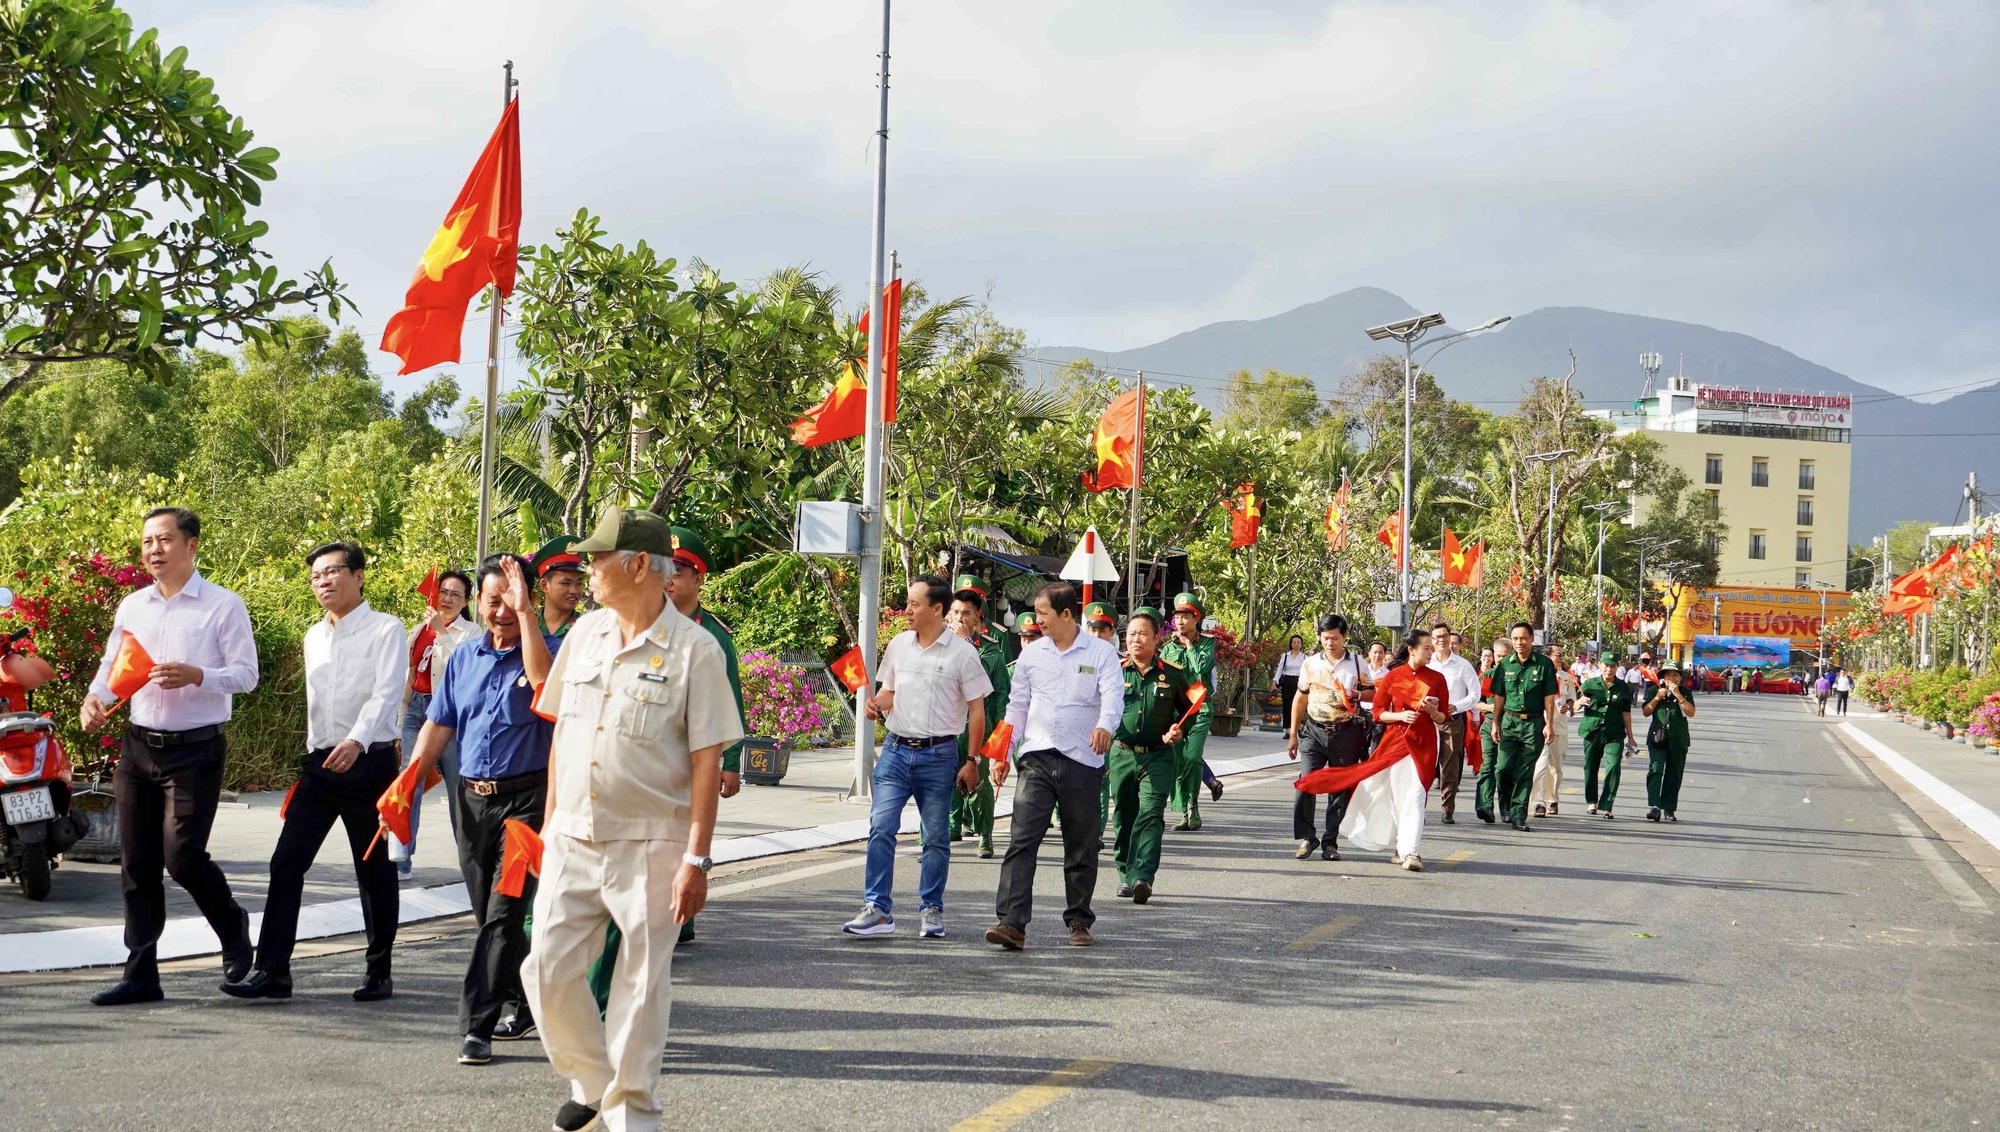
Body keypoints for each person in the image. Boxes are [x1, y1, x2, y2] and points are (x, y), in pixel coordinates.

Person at [523, 508, 743, 1132]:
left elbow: (707, 760)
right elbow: (563, 732)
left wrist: (697, 858)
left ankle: (631, 1114)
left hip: (653, 840)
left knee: (642, 986)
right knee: (544, 968)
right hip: (572, 835)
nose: (586, 569)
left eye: (597, 558)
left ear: (640, 565)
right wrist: (548, 825)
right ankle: (594, 1080)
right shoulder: (587, 634)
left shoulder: (696, 650)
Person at [80, 507, 260, 1007]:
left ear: (191, 545)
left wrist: (199, 675)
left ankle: (234, 927)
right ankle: (141, 975)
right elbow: (111, 668)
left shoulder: (223, 606)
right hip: (138, 747)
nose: (153, 550)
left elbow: (247, 675)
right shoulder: (132, 606)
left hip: (195, 750)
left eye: (163, 540)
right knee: (136, 863)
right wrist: (95, 700)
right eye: (146, 543)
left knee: (182, 857)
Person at [225, 542, 406, 1002]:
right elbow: (316, 706)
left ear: (359, 575)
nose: (323, 581)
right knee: (286, 863)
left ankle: (378, 970)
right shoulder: (313, 635)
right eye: (316, 576)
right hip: (321, 767)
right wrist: (316, 752)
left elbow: (386, 694)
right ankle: (273, 972)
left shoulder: (386, 629)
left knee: (373, 870)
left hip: (369, 763)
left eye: (333, 572)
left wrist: (357, 740)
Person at [399, 554, 557, 1064]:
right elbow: (439, 722)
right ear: (479, 603)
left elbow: (544, 688)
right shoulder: (464, 657)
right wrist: (409, 777)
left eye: (512, 601)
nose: (502, 611)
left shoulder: (550, 651)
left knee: (506, 911)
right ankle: (531, 997)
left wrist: (527, 615)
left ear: (528, 600)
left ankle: (477, 1026)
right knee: (485, 913)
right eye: (493, 601)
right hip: (471, 801)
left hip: (527, 805)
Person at [842, 574, 991, 940]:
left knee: (936, 837)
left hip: (938, 755)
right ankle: (877, 909)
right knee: (881, 827)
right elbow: (889, 690)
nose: (907, 610)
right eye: (907, 603)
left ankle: (931, 909)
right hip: (894, 751)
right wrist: (877, 704)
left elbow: (977, 711)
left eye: (914, 604)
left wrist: (972, 761)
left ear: (937, 609)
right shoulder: (898, 645)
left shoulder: (963, 654)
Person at [984, 582, 1123, 950]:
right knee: (1021, 840)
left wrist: (1105, 726)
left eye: (1044, 613)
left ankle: (1079, 919)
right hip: (1037, 758)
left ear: (1065, 614)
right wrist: (1003, 752)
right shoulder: (1031, 656)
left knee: (1081, 844)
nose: (1038, 619)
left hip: (1082, 759)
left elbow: (1113, 697)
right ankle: (1011, 923)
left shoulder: (1101, 652)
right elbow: (1017, 707)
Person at [389, 567, 477, 878]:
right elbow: (409, 674)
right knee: (407, 783)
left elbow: (464, 668)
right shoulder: (417, 630)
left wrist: (442, 632)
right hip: (416, 709)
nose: (448, 598)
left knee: (460, 790)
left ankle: (472, 860)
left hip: (449, 716)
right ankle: (400, 859)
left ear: (466, 600)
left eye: (456, 594)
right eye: (444, 592)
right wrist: (401, 718)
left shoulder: (471, 633)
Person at [1347, 628, 1451, 871]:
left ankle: (1411, 852)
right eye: (1426, 647)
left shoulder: (1437, 679)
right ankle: (1399, 847)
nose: (1431, 651)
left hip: (1425, 742)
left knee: (1416, 794)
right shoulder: (1394, 677)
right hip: (1396, 741)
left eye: (1431, 647)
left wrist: (1432, 711)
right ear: (1412, 650)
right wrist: (1400, 715)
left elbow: (1443, 715)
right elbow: (1378, 712)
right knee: (1396, 796)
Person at [1108, 607, 1190, 903]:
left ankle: (1143, 876)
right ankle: (1124, 873)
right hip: (1122, 754)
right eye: (1131, 634)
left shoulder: (1174, 674)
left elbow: (1191, 708)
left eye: (1143, 634)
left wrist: (1179, 729)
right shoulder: (1114, 672)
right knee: (1124, 815)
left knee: (1152, 814)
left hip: (1158, 755)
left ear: (1157, 638)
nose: (1136, 639)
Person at [1287, 614, 1371, 861]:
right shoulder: (1310, 663)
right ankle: (1307, 837)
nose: (1330, 643)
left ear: (1344, 637)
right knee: (1306, 785)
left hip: (1346, 733)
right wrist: (1293, 734)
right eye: (1325, 638)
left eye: (1335, 638)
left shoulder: (1357, 663)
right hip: (1313, 731)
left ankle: (1330, 843)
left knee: (1339, 790)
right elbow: (1300, 698)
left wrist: (1358, 693)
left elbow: (1375, 693)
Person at [948, 575, 1009, 859]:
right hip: (946, 727)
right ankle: (950, 827)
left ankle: (985, 834)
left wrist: (999, 740)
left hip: (978, 728)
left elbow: (999, 698)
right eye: (956, 612)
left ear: (977, 618)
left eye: (967, 614)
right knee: (944, 781)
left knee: (980, 785)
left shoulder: (990, 650)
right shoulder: (938, 645)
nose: (960, 618)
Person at [1485, 622, 1557, 831]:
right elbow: (1499, 696)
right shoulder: (1505, 665)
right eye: (1515, 638)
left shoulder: (1544, 664)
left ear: (1532, 639)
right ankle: (1506, 805)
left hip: (1534, 724)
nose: (1519, 642)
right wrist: (1495, 723)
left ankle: (1518, 815)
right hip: (1509, 721)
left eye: (1523, 638)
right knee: (1502, 769)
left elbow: (1549, 697)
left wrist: (1549, 724)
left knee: (1525, 772)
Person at [1162, 592, 1222, 830]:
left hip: (1200, 709)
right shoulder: (1167, 649)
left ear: (1196, 619)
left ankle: (1193, 810)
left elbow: (1201, 666)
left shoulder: (1207, 643)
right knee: (1178, 760)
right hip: (1176, 713)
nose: (1180, 621)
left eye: (1186, 617)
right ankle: (1185, 810)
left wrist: (1188, 645)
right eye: (1177, 616)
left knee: (1193, 757)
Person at [1426, 625, 1479, 824]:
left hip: (1451, 721)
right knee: (1425, 764)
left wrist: (1455, 706)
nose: (1442, 640)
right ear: (1431, 640)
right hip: (1427, 721)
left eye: (1445, 636)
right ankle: (1418, 807)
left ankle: (1447, 807)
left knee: (1449, 765)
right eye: (1437, 637)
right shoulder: (1426, 664)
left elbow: (1475, 694)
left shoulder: (1462, 665)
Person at [1576, 653, 1633, 819]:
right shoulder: (1589, 684)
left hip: (1614, 733)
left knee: (1614, 766)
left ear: (1618, 667)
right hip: (1592, 732)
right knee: (1590, 767)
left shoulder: (1623, 687)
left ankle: (1607, 805)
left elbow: (1626, 713)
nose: (1609, 669)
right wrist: (1580, 702)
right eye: (1606, 665)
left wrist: (1631, 737)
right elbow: (1575, 706)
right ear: (1600, 665)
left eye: (1613, 666)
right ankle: (1592, 801)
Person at [1643, 661, 1696, 823]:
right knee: (1655, 769)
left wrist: (1678, 695)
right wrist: (1657, 698)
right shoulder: (1653, 690)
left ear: (1680, 677)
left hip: (1678, 740)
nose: (1671, 678)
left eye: (1675, 675)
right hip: (1657, 739)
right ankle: (1654, 806)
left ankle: (1669, 807)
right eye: (1668, 675)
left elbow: (1691, 712)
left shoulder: (1685, 692)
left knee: (1674, 773)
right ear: (1663, 677)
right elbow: (1646, 711)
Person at [1532, 644, 1578, 817]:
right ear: (1547, 656)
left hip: (1560, 726)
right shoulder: (1538, 675)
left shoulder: (1566, 677)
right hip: (1540, 725)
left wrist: (1569, 706)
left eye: (1561, 654)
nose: (1560, 657)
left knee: (1556, 767)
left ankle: (1552, 799)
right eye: (1557, 654)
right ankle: (1538, 802)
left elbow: (1572, 699)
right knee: (1541, 764)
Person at [533, 536, 589, 638]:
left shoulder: (587, 630)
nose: (574, 590)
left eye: (579, 583)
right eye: (566, 583)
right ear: (545, 585)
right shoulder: (528, 627)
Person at [1274, 634, 1306, 732]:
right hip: (1287, 681)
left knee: (1298, 705)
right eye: (1294, 642)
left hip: (1299, 682)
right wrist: (1275, 681)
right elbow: (1280, 670)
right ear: (1291, 644)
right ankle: (1288, 730)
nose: (1296, 644)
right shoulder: (1285, 656)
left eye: (1298, 642)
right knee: (1287, 705)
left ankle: (1298, 727)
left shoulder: (1305, 657)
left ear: (1301, 644)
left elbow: (1307, 672)